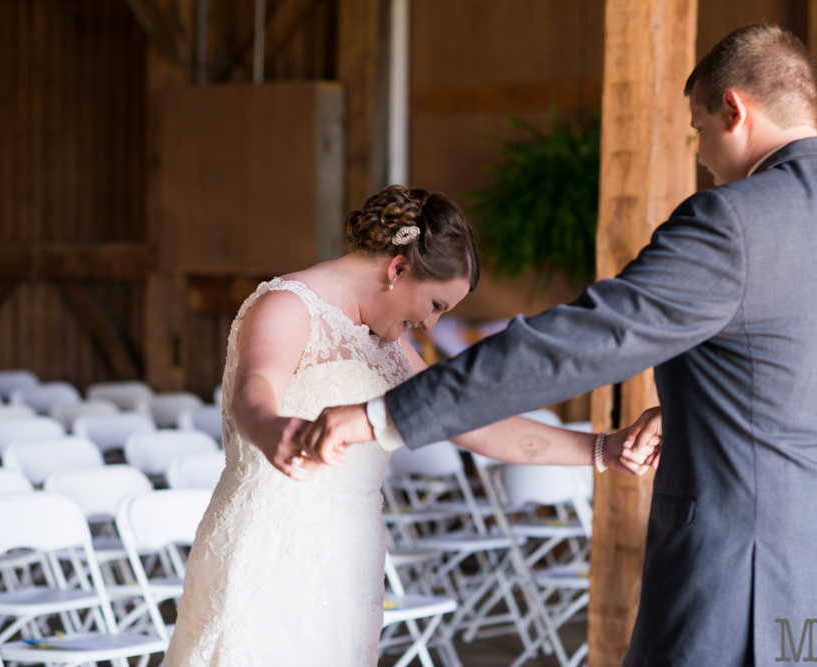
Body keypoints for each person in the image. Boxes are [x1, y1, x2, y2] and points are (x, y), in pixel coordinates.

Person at [301, 26, 817, 666]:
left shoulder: (732, 221)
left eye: (699, 129)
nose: (701, 155)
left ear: (735, 111)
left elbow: (582, 342)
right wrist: (693, 413)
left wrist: (387, 414)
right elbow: (811, 385)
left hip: (748, 593)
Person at [162, 185, 646, 667]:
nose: (433, 326)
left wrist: (604, 448)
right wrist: (271, 430)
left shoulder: (389, 347)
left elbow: (479, 424)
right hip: (268, 551)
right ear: (397, 270)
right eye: (435, 306)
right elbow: (253, 390)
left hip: (351, 558)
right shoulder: (289, 306)